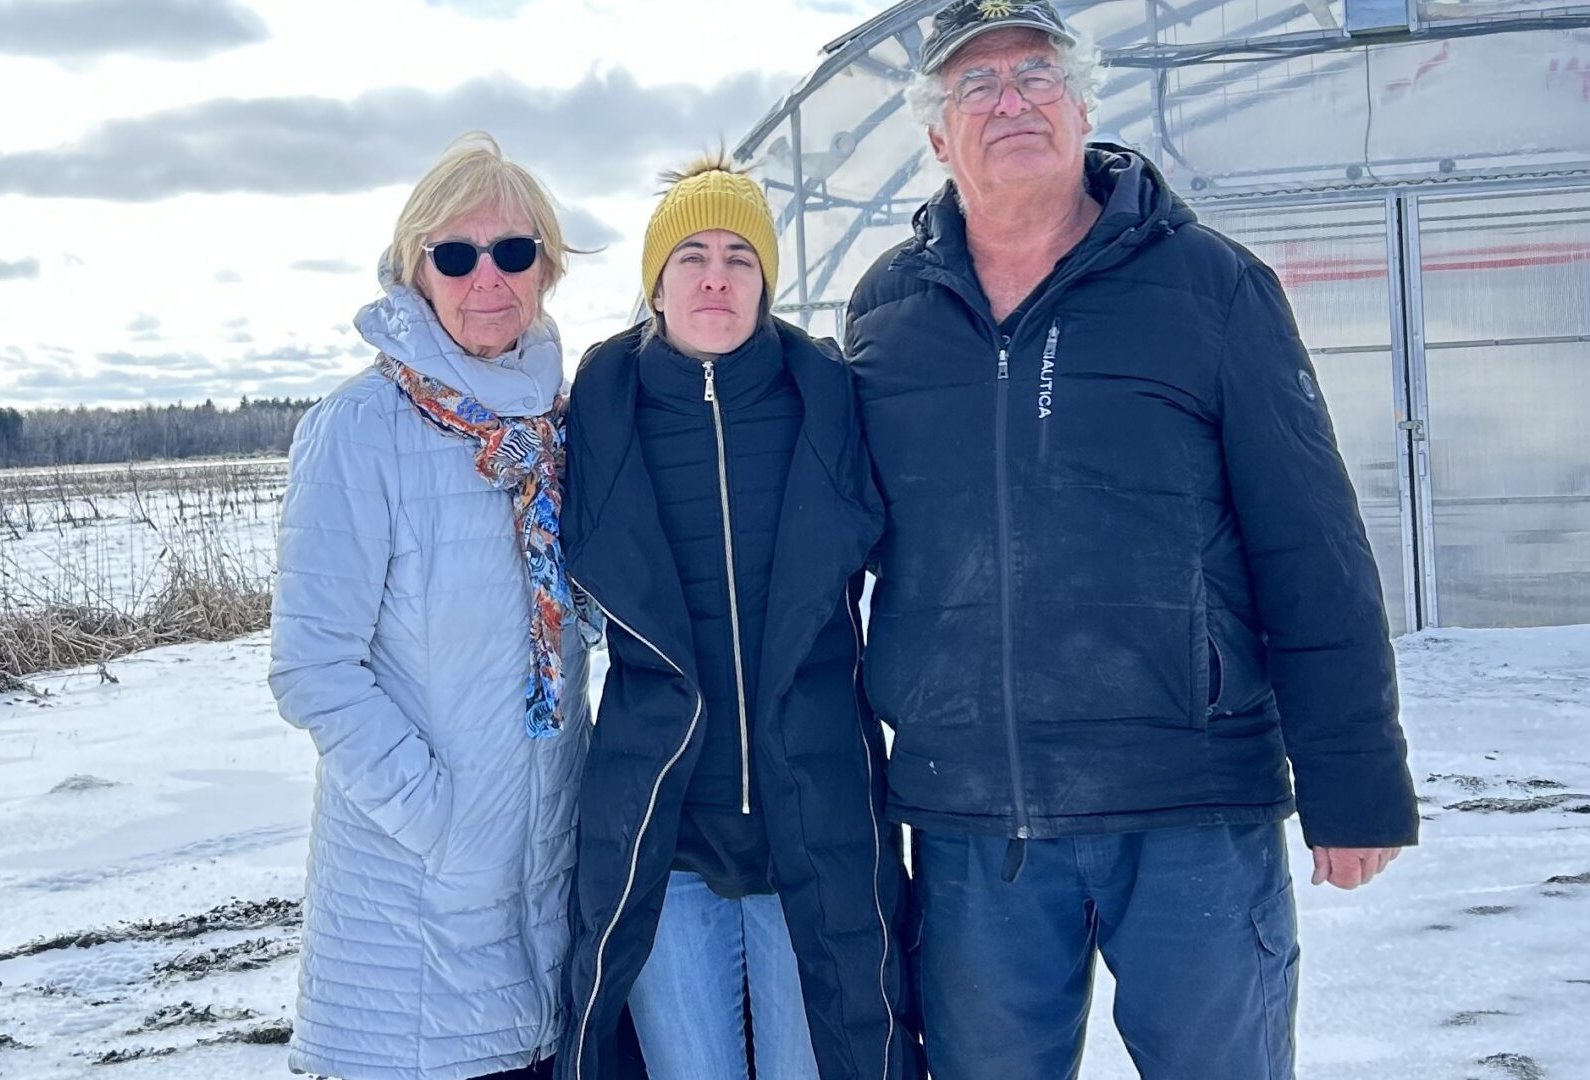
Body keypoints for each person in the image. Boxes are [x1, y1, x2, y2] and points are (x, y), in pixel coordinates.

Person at [843, 2, 1419, 1078]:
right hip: (978, 828)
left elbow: (1311, 543)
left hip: (1190, 805)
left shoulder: (1209, 285)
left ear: (1082, 101)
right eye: (975, 87)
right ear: (934, 135)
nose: (1010, 102)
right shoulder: (890, 311)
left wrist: (1356, 784)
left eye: (1035, 76)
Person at [557, 157, 918, 1080]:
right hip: (663, 831)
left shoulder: (833, 401)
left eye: (739, 256)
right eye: (690, 255)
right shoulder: (598, 414)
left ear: (766, 282)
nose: (716, 275)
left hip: (817, 818)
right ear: (656, 284)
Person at [269, 132, 590, 1080]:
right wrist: (444, 824)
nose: (485, 276)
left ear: (547, 268)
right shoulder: (360, 430)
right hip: (411, 912)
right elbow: (314, 669)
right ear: (417, 271)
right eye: (455, 254)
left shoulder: (556, 431)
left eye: (513, 251)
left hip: (538, 899)